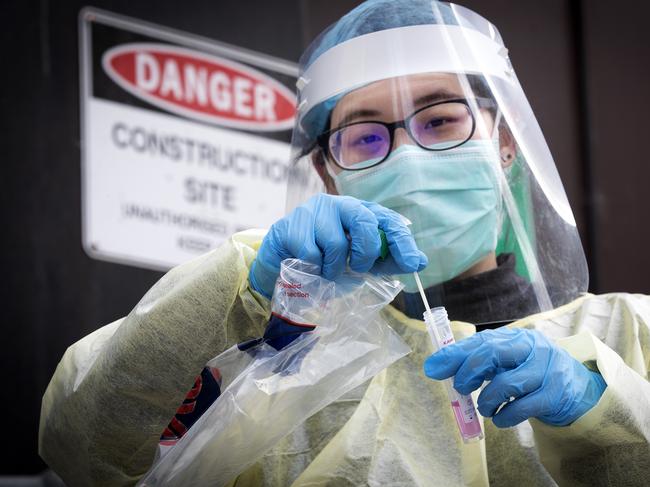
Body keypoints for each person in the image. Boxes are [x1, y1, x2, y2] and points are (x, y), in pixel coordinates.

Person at [39, 1, 650, 486]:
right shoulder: (281, 370)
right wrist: (240, 287)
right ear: (330, 175)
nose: (409, 158)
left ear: (504, 143)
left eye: (441, 119)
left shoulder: (632, 332)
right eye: (364, 138)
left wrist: (606, 414)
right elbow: (85, 452)